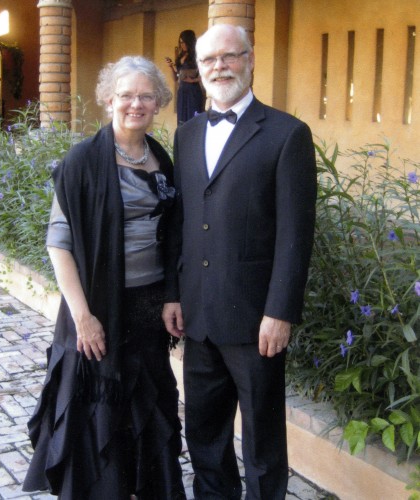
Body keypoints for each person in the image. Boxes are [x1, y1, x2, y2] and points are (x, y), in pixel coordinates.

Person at [163, 24, 317, 499]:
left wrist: (280, 312)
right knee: (205, 433)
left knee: (262, 441)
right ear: (198, 68)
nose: (219, 67)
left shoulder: (287, 134)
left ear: (250, 60)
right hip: (198, 315)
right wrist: (173, 294)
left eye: (230, 56)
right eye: (209, 60)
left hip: (255, 321)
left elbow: (296, 234)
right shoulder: (187, 134)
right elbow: (181, 221)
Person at [23, 56, 185, 500]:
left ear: (158, 103)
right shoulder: (82, 160)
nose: (136, 104)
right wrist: (83, 318)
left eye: (146, 96)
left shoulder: (161, 158)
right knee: (100, 411)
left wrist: (172, 295)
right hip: (98, 307)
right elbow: (58, 243)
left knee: (149, 406)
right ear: (109, 100)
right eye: (126, 95)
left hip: (148, 308)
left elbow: (173, 234)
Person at [166, 30, 205, 124]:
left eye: (184, 42)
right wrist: (171, 67)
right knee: (181, 119)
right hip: (182, 91)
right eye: (180, 42)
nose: (182, 45)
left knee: (193, 118)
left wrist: (194, 80)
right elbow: (176, 78)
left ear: (189, 42)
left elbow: (206, 74)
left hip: (193, 91)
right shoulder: (180, 57)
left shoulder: (198, 56)